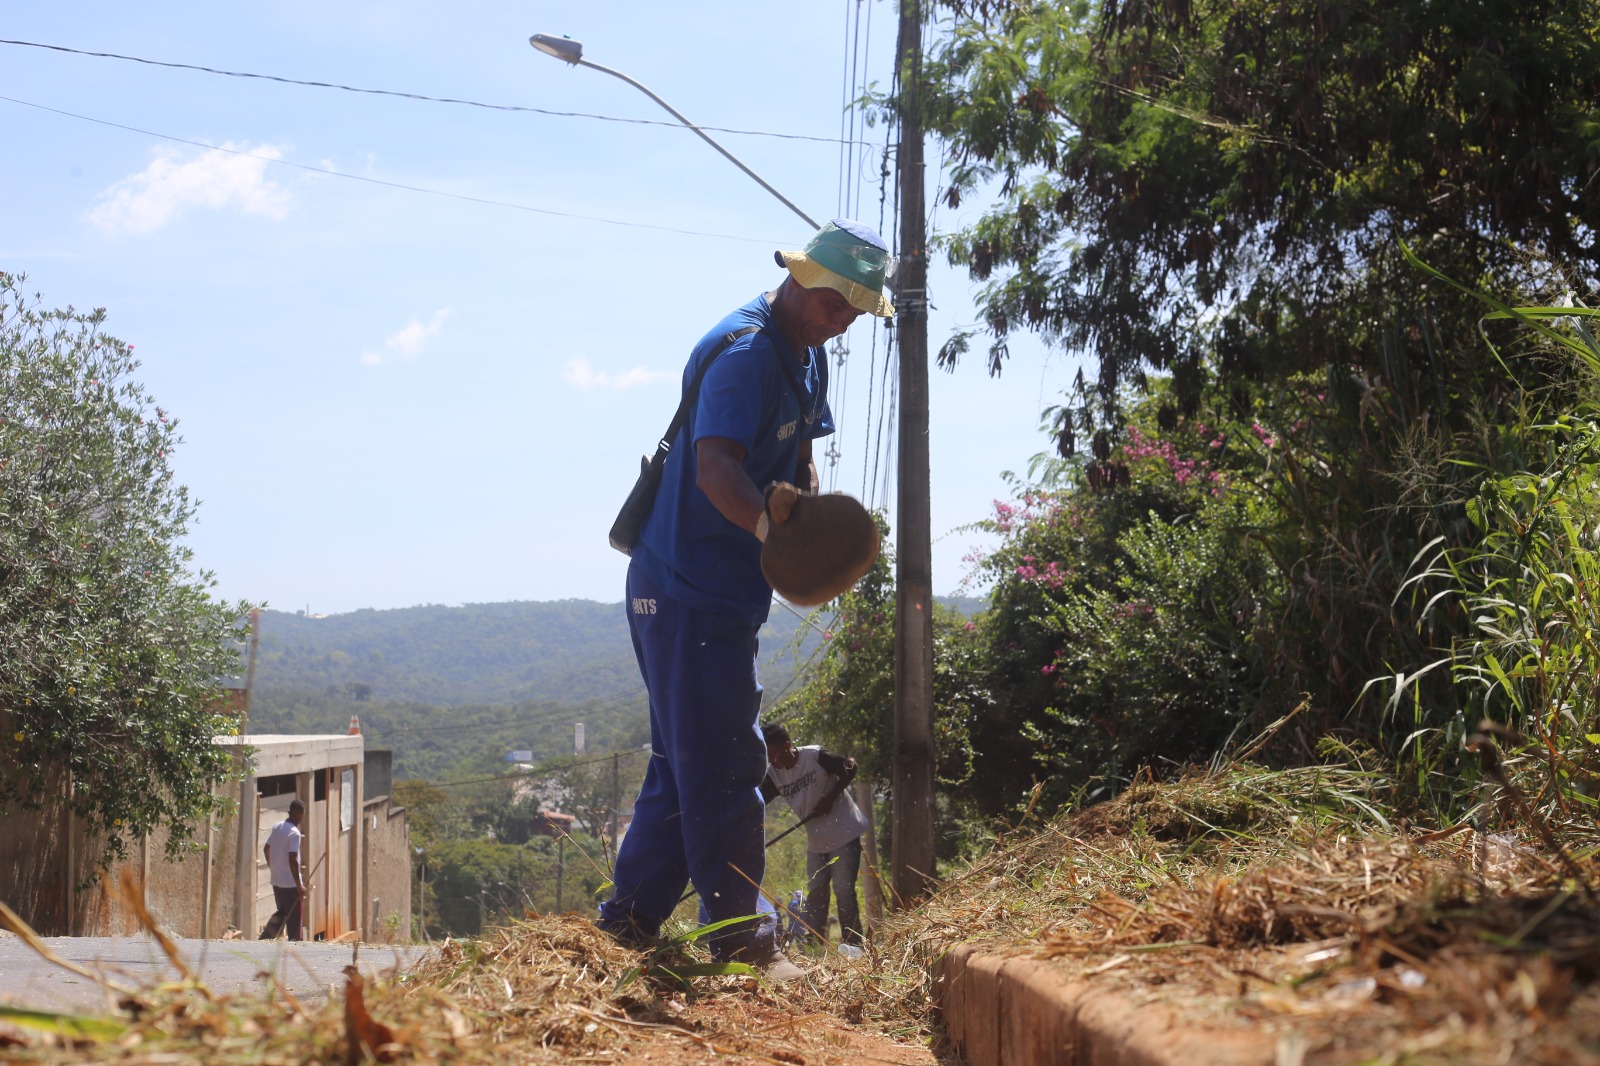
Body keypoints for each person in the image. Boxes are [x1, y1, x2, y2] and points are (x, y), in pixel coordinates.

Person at [597, 219, 894, 982]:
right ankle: (742, 942)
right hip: (683, 589)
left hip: (724, 593)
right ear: (801, 277)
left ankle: (626, 927)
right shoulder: (746, 352)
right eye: (834, 304)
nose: (841, 322)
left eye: (855, 313)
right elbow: (715, 471)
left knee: (683, 765)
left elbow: (799, 457)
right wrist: (772, 530)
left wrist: (806, 506)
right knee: (729, 760)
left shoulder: (806, 356)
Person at [760, 723, 868, 947]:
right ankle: (815, 944)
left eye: (775, 754)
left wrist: (830, 798)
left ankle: (854, 944)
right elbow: (759, 801)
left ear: (788, 746)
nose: (773, 761)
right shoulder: (773, 774)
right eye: (768, 756)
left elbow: (850, 766)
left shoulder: (815, 756)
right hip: (817, 840)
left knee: (843, 890)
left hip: (844, 832)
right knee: (816, 891)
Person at [261, 798, 308, 940]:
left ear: (289, 811)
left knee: (281, 914)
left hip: (277, 882)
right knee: (294, 922)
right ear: (301, 814)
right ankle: (296, 946)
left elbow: (266, 849)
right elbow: (293, 859)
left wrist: (274, 868)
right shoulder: (294, 833)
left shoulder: (277, 827)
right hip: (290, 885)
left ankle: (265, 939)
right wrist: (299, 885)